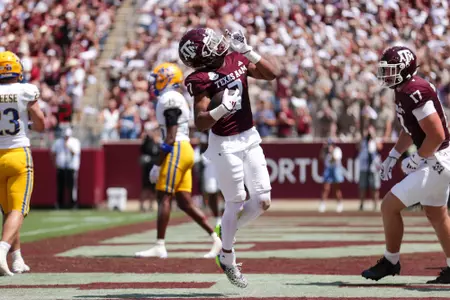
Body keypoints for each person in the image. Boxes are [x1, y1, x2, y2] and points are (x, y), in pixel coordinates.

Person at [180, 28, 279, 288]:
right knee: (236, 201)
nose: (217, 43)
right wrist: (222, 109)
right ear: (201, 55)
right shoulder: (200, 78)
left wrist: (249, 51)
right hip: (225, 143)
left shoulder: (236, 58)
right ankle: (227, 256)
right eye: (210, 43)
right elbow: (201, 122)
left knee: (263, 201)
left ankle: (225, 230)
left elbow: (271, 74)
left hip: (249, 135)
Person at [362, 46, 450, 284]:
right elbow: (411, 128)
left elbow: (437, 134)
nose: (385, 75)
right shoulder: (404, 88)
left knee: (389, 206)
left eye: (390, 70)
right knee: (436, 214)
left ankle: (391, 261)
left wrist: (418, 157)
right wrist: (394, 154)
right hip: (436, 156)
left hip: (437, 158)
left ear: (405, 69)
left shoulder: (414, 90)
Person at [134, 62, 222, 259]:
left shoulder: (169, 98)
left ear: (167, 78)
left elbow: (171, 136)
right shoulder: (173, 97)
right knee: (184, 202)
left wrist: (157, 163)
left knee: (163, 196)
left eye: (157, 79)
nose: (153, 84)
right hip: (185, 149)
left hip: (177, 149)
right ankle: (217, 239)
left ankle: (159, 245)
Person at [0, 51, 46, 276]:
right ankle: (2, 251)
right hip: (18, 153)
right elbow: (40, 124)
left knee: (8, 211)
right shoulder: (25, 90)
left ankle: (16, 258)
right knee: (18, 209)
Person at [51, 127, 81, 209]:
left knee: (71, 186)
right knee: (60, 186)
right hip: (61, 166)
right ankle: (60, 204)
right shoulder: (58, 142)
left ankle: (72, 204)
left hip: (71, 167)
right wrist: (55, 163)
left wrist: (68, 146)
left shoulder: (75, 142)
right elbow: (53, 153)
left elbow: (75, 153)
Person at [357, 126, 382, 211]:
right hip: (364, 166)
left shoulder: (376, 140)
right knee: (362, 186)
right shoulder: (363, 141)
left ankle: (375, 205)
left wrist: (373, 137)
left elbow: (380, 147)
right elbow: (357, 147)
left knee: (374, 186)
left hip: (374, 167)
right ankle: (361, 204)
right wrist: (363, 137)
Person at [139, 121, 160, 212]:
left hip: (155, 167)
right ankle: (142, 205)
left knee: (154, 188)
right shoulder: (147, 141)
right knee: (145, 187)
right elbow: (142, 150)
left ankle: (151, 204)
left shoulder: (158, 142)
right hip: (148, 167)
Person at [318, 139, 344, 213]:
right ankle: (322, 204)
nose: (329, 146)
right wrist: (323, 149)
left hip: (336, 170)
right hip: (328, 169)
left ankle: (339, 204)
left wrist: (331, 152)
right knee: (325, 188)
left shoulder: (337, 150)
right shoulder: (325, 151)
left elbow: (335, 160)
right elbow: (321, 157)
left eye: (330, 144)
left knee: (336, 189)